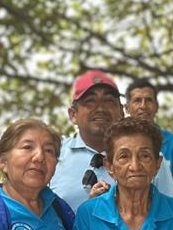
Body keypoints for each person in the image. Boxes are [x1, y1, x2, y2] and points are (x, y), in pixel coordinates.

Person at [48, 70, 123, 212]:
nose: (100, 108)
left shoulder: (147, 158)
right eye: (90, 101)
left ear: (121, 112)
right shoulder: (51, 156)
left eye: (108, 100)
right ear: (73, 115)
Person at [125, 79, 173, 202]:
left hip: (166, 212)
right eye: (137, 100)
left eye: (149, 100)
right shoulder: (117, 142)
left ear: (156, 106)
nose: (143, 106)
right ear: (127, 108)